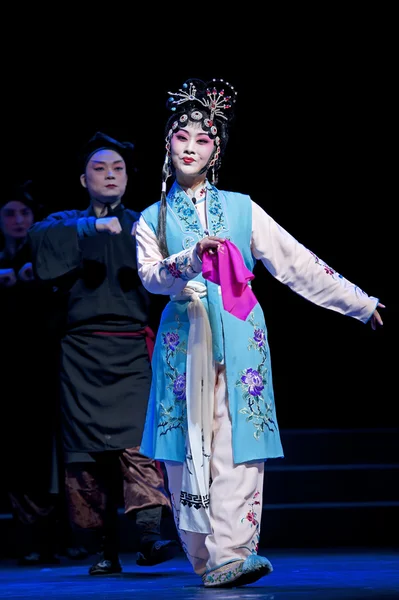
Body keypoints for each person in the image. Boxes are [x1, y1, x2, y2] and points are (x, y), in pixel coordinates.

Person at [133, 78, 385, 588]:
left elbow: (297, 263)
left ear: (216, 149)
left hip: (242, 334)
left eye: (202, 139)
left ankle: (234, 552)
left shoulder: (244, 208)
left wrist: (360, 303)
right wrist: (189, 258)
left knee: (238, 440)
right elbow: (151, 276)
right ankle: (205, 556)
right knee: (189, 443)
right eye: (181, 135)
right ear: (167, 143)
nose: (189, 146)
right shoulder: (152, 218)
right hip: (186, 337)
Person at [27, 132, 179, 575]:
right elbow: (40, 244)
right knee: (87, 456)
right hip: (80, 355)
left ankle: (150, 535)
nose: (111, 175)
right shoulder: (64, 221)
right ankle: (103, 548)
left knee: (138, 445)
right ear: (83, 178)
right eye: (100, 168)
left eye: (118, 168)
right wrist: (90, 227)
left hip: (130, 349)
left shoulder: (145, 222)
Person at [0, 181, 67, 565]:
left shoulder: (44, 256)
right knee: (15, 454)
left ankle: (51, 538)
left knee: (46, 453)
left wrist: (36, 280)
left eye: (24, 213)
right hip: (8, 373)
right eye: (10, 213)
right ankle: (26, 537)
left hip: (43, 368)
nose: (18, 220)